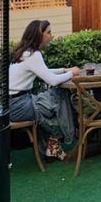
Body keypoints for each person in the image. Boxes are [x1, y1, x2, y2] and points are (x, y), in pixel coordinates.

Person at [9, 20, 80, 160]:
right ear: (38, 35)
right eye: (48, 33)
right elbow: (52, 80)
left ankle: (53, 144)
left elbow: (43, 71)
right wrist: (72, 73)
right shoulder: (33, 55)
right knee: (60, 94)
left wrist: (64, 70)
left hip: (13, 104)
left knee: (56, 102)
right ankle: (68, 135)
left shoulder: (23, 53)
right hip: (20, 106)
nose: (51, 36)